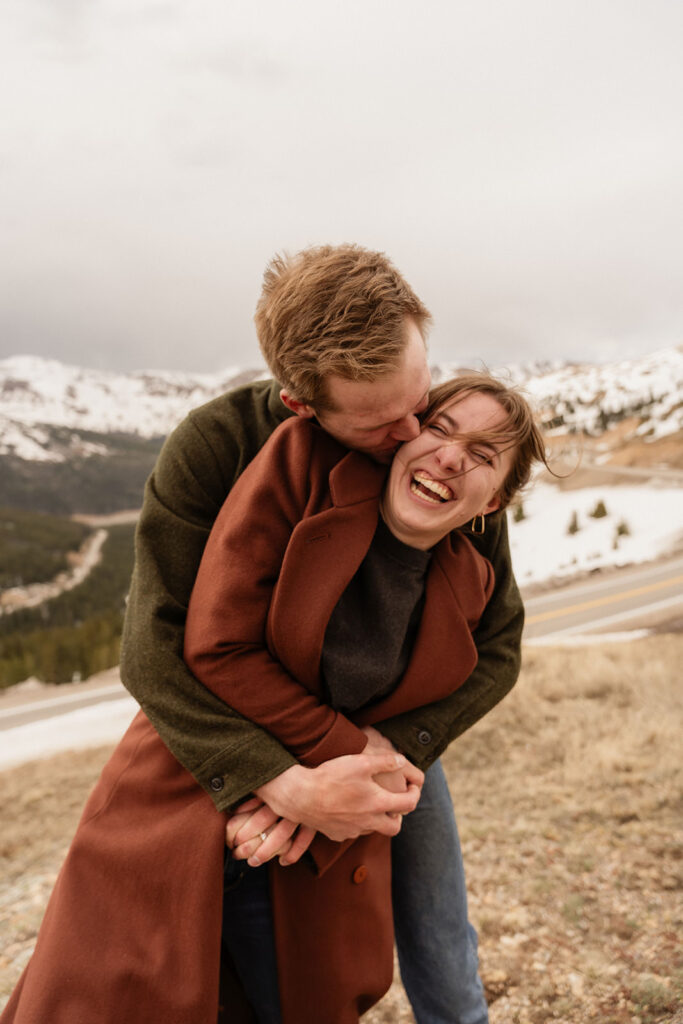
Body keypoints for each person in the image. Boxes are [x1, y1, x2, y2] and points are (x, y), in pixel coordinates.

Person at [2, 247, 522, 1023]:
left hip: (386, 736)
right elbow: (155, 648)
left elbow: (500, 639)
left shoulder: (437, 461)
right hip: (238, 728)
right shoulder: (217, 446)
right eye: (384, 422)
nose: (416, 431)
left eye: (420, 395)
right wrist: (285, 782)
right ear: (301, 406)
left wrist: (390, 749)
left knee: (438, 930)